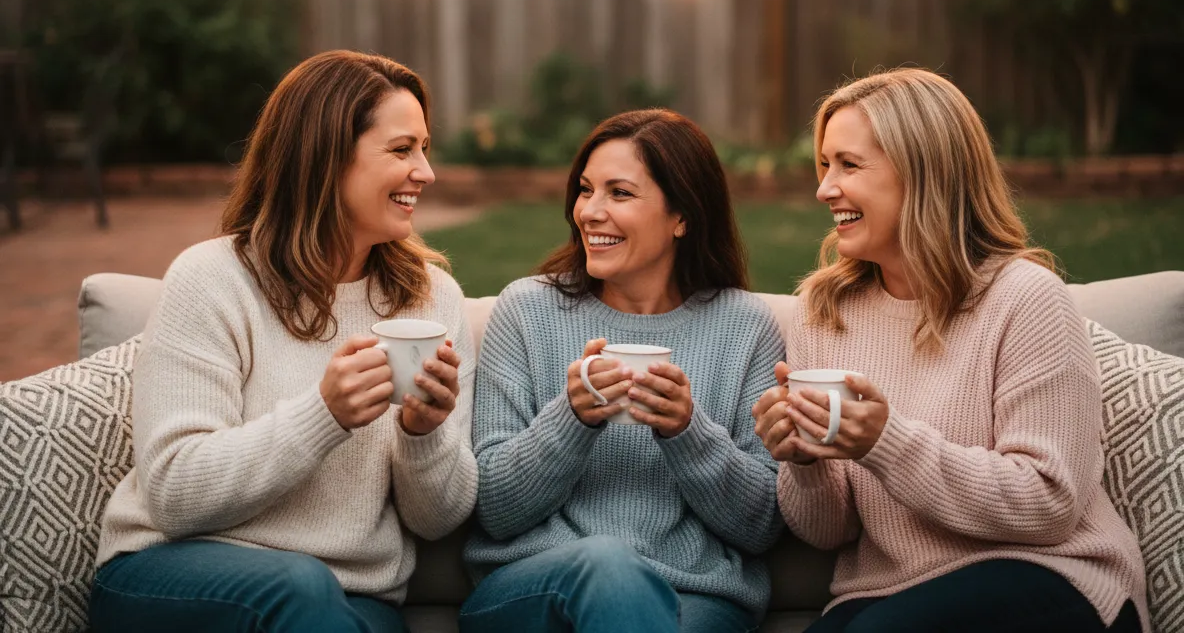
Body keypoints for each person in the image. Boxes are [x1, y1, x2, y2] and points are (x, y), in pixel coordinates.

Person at [89, 50, 477, 633]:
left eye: (424, 147)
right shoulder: (213, 280)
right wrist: (324, 415)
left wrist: (423, 436)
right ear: (324, 158)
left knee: (314, 597)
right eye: (402, 150)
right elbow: (174, 493)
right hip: (175, 578)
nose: (425, 171)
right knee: (298, 586)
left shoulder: (432, 300)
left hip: (353, 598)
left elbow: (438, 520)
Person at [753, 68, 1148, 633]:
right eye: (824, 165)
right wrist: (803, 461)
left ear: (922, 173)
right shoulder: (826, 311)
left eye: (849, 165)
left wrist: (886, 442)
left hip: (1046, 575)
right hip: (886, 592)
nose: (824, 188)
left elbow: (1049, 501)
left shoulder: (1025, 299)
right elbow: (829, 532)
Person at [461, 109, 785, 633]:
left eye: (619, 193)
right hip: (537, 586)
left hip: (693, 595)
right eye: (586, 190)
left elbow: (762, 524)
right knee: (609, 566)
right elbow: (496, 509)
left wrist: (687, 431)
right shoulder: (526, 312)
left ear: (682, 215)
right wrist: (572, 418)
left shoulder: (744, 327)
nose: (589, 211)